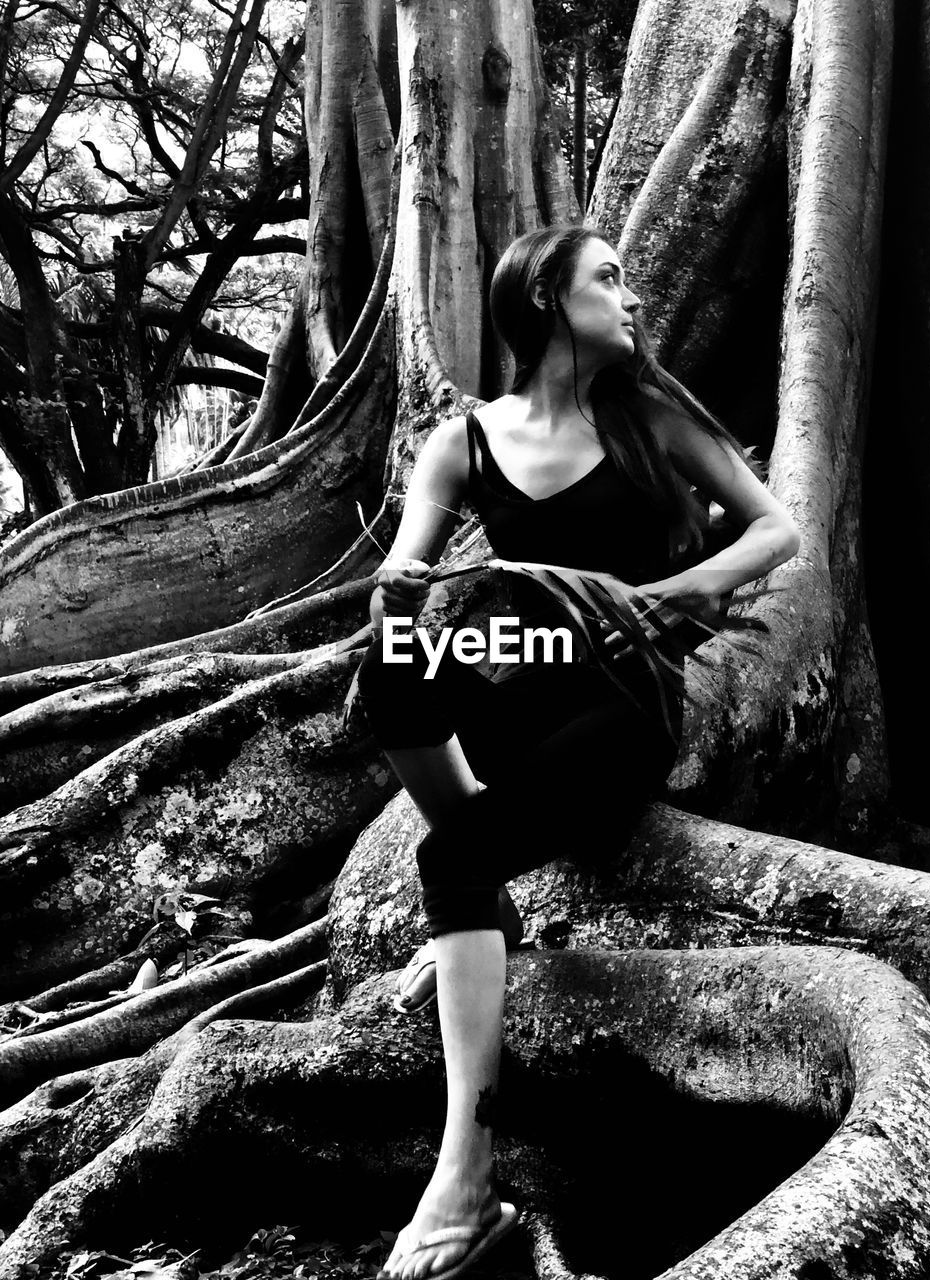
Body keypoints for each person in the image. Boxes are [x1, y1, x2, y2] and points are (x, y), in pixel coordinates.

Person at [355, 223, 801, 1280]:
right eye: (608, 278)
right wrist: (408, 591)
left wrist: (674, 593)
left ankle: (465, 1166)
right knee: (394, 657)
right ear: (548, 298)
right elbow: (406, 575)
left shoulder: (648, 414)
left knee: (449, 861)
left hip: (623, 703)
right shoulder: (461, 441)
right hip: (518, 677)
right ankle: (480, 872)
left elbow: (774, 528)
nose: (631, 294)